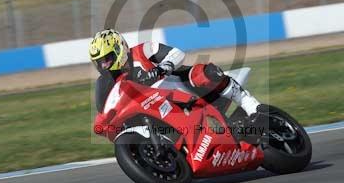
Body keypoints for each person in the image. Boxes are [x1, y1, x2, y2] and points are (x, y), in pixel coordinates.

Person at [88, 29, 261, 118]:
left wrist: (161, 68)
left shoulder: (143, 50)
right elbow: (104, 111)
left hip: (181, 88)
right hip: (156, 111)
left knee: (203, 73)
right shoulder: (106, 82)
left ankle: (249, 104)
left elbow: (177, 53)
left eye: (107, 59)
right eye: (100, 62)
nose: (104, 65)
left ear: (119, 48)